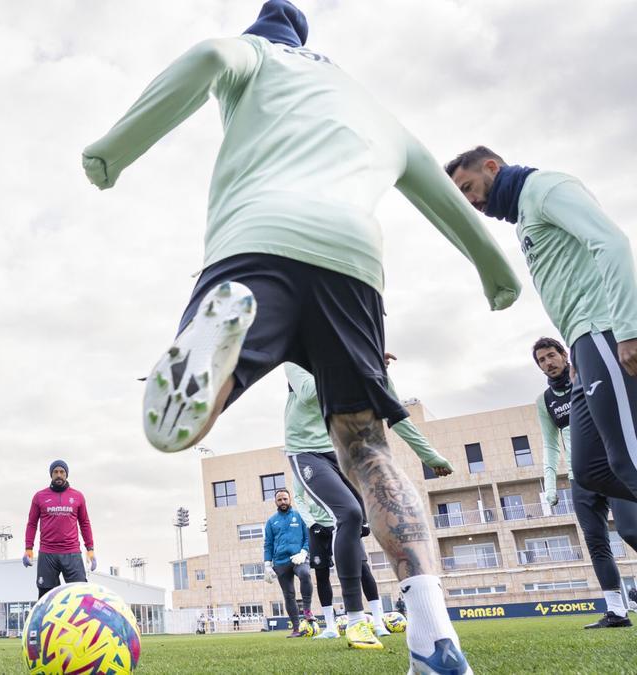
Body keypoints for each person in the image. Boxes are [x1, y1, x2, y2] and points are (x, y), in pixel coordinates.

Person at [82, 2, 518, 670]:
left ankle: (219, 366)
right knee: (369, 448)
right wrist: (493, 268)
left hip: (257, 238)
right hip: (353, 261)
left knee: (195, 413)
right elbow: (432, 180)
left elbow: (207, 57)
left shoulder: (255, 55)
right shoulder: (369, 104)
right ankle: (434, 636)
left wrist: (113, 149)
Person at [445, 147, 637, 505]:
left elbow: (611, 243)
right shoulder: (523, 219)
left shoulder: (545, 187)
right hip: (582, 345)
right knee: (590, 468)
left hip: (605, 330)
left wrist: (627, 328)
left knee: (629, 461)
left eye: (469, 187)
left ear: (492, 167)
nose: (471, 200)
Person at [284, 361, 454, 648]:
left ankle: (427, 615)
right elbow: (310, 392)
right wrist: (349, 362)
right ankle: (354, 621)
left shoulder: (367, 356)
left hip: (349, 447)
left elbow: (395, 412)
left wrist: (430, 456)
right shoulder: (298, 356)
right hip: (307, 451)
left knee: (397, 511)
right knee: (348, 513)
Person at [532, 337, 637, 628]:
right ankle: (616, 612)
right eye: (541, 360)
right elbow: (550, 444)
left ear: (564, 355)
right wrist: (551, 485)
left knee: (630, 530)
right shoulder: (545, 401)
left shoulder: (591, 378)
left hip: (613, 469)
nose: (548, 363)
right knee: (596, 542)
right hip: (580, 479)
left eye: (551, 355)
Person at [23, 460, 96, 598]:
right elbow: (32, 523)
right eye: (55, 472)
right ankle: (46, 620)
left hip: (72, 553)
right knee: (46, 596)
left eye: (62, 472)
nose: (59, 475)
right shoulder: (39, 497)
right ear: (51, 474)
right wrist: (28, 548)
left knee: (80, 594)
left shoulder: (78, 496)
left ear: (66, 474)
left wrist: (90, 549)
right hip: (47, 553)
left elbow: (85, 523)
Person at [263, 488, 313, 637]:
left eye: (285, 499)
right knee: (289, 594)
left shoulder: (299, 516)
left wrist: (304, 552)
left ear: (289, 499)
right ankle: (296, 629)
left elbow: (307, 537)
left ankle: (308, 611)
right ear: (275, 502)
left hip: (299, 558)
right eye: (279, 500)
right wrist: (267, 564)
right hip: (280, 562)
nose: (283, 502)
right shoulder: (271, 521)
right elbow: (268, 544)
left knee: (305, 574)